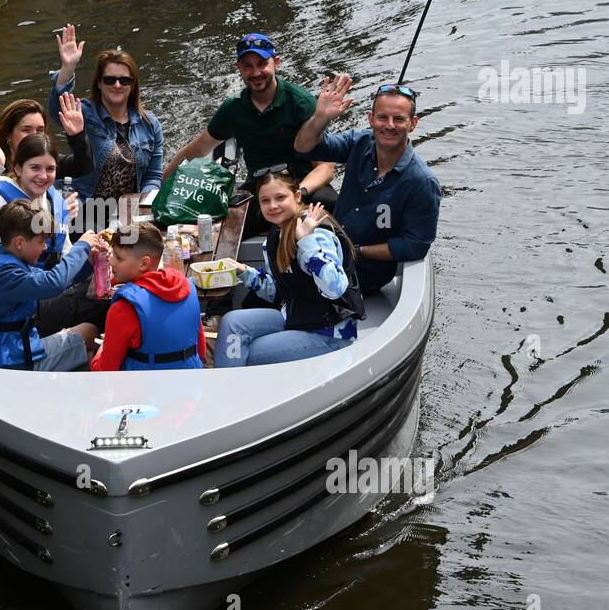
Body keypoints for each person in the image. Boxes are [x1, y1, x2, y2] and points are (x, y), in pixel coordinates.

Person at [160, 32, 337, 237]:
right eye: (248, 66)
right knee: (224, 227)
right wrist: (162, 181)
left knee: (331, 207)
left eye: (262, 63)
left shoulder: (301, 102)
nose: (256, 72)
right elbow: (198, 148)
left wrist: (298, 194)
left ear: (276, 63)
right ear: (239, 69)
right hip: (259, 184)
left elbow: (325, 168)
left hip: (302, 182)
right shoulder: (233, 108)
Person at [293, 75, 441, 293]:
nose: (389, 126)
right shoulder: (360, 142)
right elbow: (304, 148)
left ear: (413, 123)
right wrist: (320, 118)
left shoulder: (422, 182)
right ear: (371, 119)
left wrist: (358, 251)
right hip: (332, 250)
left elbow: (415, 245)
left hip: (362, 275)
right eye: (382, 117)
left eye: (399, 119)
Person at [215, 169, 364, 368]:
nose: (273, 205)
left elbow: (335, 287)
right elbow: (277, 291)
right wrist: (243, 271)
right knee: (232, 322)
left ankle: (232, 393)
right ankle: (228, 387)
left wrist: (306, 241)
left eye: (280, 197)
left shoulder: (317, 234)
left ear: (297, 196)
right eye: (265, 200)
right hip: (297, 315)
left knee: (248, 351)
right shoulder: (277, 233)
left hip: (329, 331)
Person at [0, 200, 105, 371]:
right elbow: (53, 283)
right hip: (3, 363)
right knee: (91, 335)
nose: (44, 247)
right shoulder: (6, 275)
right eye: (41, 242)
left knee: (86, 330)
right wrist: (82, 246)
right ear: (19, 242)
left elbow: (50, 279)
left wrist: (88, 263)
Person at [49, 25, 164, 220]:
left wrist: (143, 205)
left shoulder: (151, 125)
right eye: (110, 80)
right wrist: (67, 69)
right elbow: (56, 107)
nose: (117, 85)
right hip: (84, 210)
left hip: (127, 215)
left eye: (124, 80)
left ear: (133, 84)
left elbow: (153, 176)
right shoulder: (85, 111)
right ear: (99, 83)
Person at [0, 97, 91, 235]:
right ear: (8, 135)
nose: (42, 176)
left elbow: (84, 166)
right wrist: (56, 216)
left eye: (39, 130)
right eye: (26, 130)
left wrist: (78, 136)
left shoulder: (45, 164)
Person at [91, 223, 206, 372]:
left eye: (119, 258)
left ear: (144, 263)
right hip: (191, 385)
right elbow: (201, 350)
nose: (111, 261)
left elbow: (103, 371)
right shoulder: (188, 288)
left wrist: (101, 350)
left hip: (145, 390)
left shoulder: (123, 308)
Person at [0, 132, 72, 256]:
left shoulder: (54, 199)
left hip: (50, 274)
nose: (43, 176)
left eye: (50, 169)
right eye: (35, 168)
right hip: (9, 274)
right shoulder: (0, 201)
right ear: (18, 169)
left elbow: (65, 250)